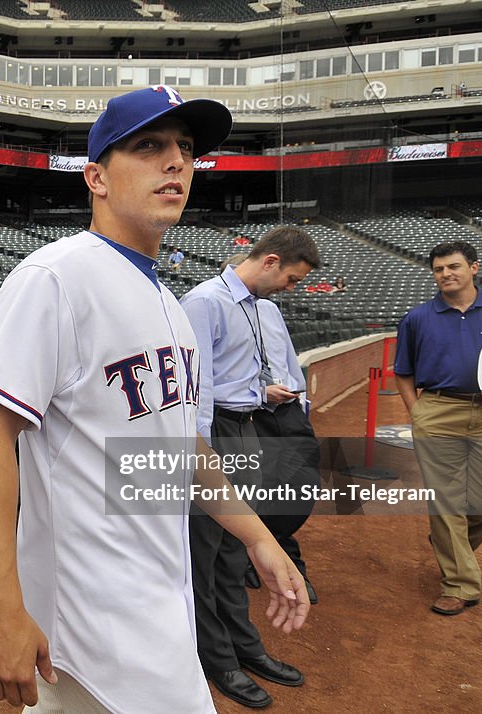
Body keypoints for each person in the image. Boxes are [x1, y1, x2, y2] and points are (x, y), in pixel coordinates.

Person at [0, 85, 309, 713]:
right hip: (90, 619)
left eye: (184, 148)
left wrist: (257, 536)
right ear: (95, 176)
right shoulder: (55, 277)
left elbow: (183, 448)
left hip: (154, 602)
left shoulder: (172, 309)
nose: (175, 161)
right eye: (149, 146)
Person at [181, 225, 321, 708]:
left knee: (237, 551)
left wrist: (263, 396)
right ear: (270, 261)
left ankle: (245, 646)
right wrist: (201, 453)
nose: (291, 287)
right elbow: (196, 387)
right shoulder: (204, 301)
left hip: (248, 427)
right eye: (292, 278)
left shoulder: (262, 308)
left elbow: (242, 377)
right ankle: (215, 659)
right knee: (205, 554)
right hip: (213, 433)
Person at [394, 240, 482, 616]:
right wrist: (418, 413)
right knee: (445, 499)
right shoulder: (418, 317)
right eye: (438, 269)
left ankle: (449, 540)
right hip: (438, 409)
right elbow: (403, 372)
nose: (446, 274)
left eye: (454, 267)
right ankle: (460, 583)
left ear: (474, 268)